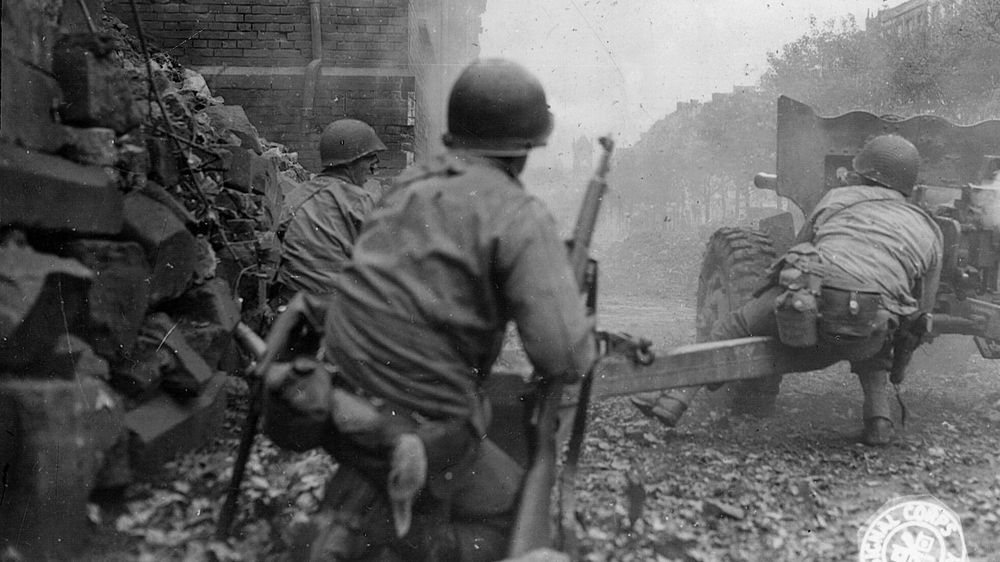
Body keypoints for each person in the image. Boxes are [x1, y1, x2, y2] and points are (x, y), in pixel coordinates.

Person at [260, 58, 596, 561]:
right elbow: (563, 359)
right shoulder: (517, 213)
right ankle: (398, 548)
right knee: (512, 508)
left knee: (394, 452)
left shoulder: (403, 189)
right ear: (525, 148)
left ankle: (343, 526)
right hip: (424, 426)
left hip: (327, 399)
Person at [634, 134, 942, 447]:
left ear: (861, 172)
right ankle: (879, 422)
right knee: (878, 330)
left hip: (817, 305)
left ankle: (675, 399)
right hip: (869, 330)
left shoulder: (837, 199)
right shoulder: (929, 228)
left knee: (735, 325)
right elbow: (921, 314)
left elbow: (797, 252)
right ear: (908, 183)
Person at [275, 118, 387, 298]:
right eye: (369, 161)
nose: (372, 170)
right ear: (351, 162)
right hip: (337, 306)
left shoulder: (295, 196)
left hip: (293, 302)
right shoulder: (360, 200)